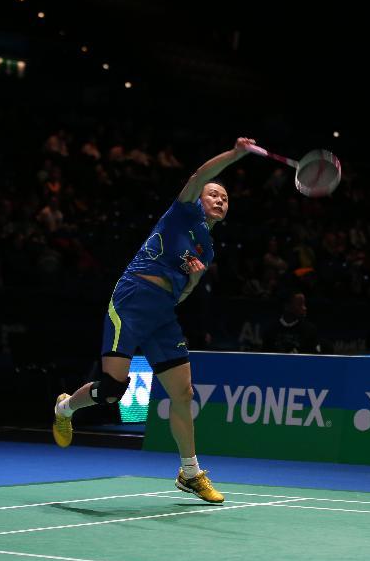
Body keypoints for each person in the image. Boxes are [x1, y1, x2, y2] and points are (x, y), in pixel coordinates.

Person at [51, 137, 257, 504]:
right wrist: (235, 155)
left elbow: (185, 292)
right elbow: (199, 174)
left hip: (164, 311)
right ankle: (65, 407)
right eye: (214, 194)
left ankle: (190, 472)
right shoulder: (183, 212)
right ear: (199, 198)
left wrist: (194, 276)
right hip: (131, 300)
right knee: (113, 389)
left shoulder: (207, 247)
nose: (220, 199)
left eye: (225, 197)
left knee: (183, 392)